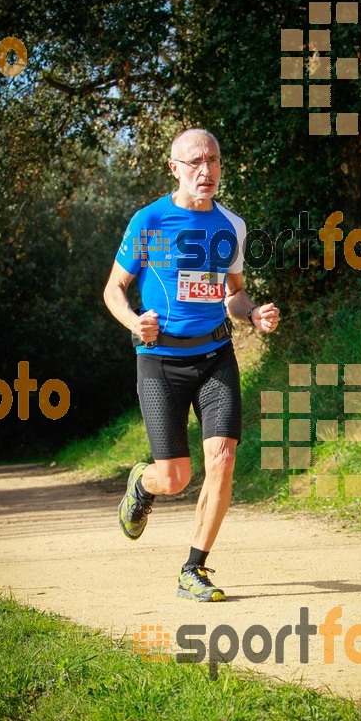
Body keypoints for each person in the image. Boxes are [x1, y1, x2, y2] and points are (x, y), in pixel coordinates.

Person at [103, 128, 280, 602]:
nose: (207, 171)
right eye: (196, 162)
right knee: (176, 477)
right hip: (160, 360)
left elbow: (233, 293)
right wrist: (133, 322)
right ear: (174, 168)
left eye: (214, 161)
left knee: (222, 459)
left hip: (215, 355)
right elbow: (113, 290)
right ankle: (143, 482)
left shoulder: (230, 227)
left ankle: (193, 569)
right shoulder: (150, 222)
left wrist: (253, 312)